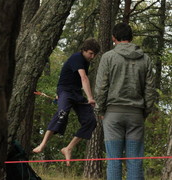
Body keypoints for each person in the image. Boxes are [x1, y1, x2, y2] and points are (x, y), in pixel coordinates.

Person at [95, 23, 155, 180]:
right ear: (132, 38)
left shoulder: (108, 57)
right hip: (136, 115)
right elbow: (150, 90)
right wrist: (145, 111)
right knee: (135, 162)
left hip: (112, 115)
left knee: (114, 162)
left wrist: (100, 110)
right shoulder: (146, 59)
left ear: (114, 38)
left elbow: (101, 88)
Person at [33, 38, 100, 166]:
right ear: (84, 50)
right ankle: (43, 144)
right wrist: (90, 98)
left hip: (76, 93)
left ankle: (68, 148)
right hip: (65, 91)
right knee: (62, 113)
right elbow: (84, 78)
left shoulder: (86, 62)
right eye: (91, 53)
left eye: (95, 54)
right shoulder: (77, 58)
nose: (93, 56)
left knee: (91, 121)